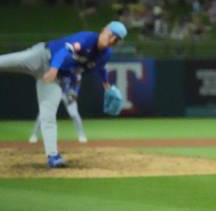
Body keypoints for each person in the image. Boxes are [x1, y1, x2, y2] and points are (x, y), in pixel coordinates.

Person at [0, 22, 127, 168]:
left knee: (48, 115)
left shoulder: (105, 54)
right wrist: (54, 68)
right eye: (111, 35)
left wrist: (106, 85)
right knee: (4, 62)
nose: (111, 40)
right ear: (104, 30)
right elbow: (64, 51)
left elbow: (100, 68)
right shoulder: (87, 39)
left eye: (116, 40)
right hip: (42, 57)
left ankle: (53, 157)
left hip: (55, 77)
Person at [29, 73, 88, 144]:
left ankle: (81, 135)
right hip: (54, 91)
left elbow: (78, 82)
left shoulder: (74, 68)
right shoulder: (56, 65)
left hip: (68, 93)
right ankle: (34, 135)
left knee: (74, 114)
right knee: (43, 113)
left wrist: (75, 93)